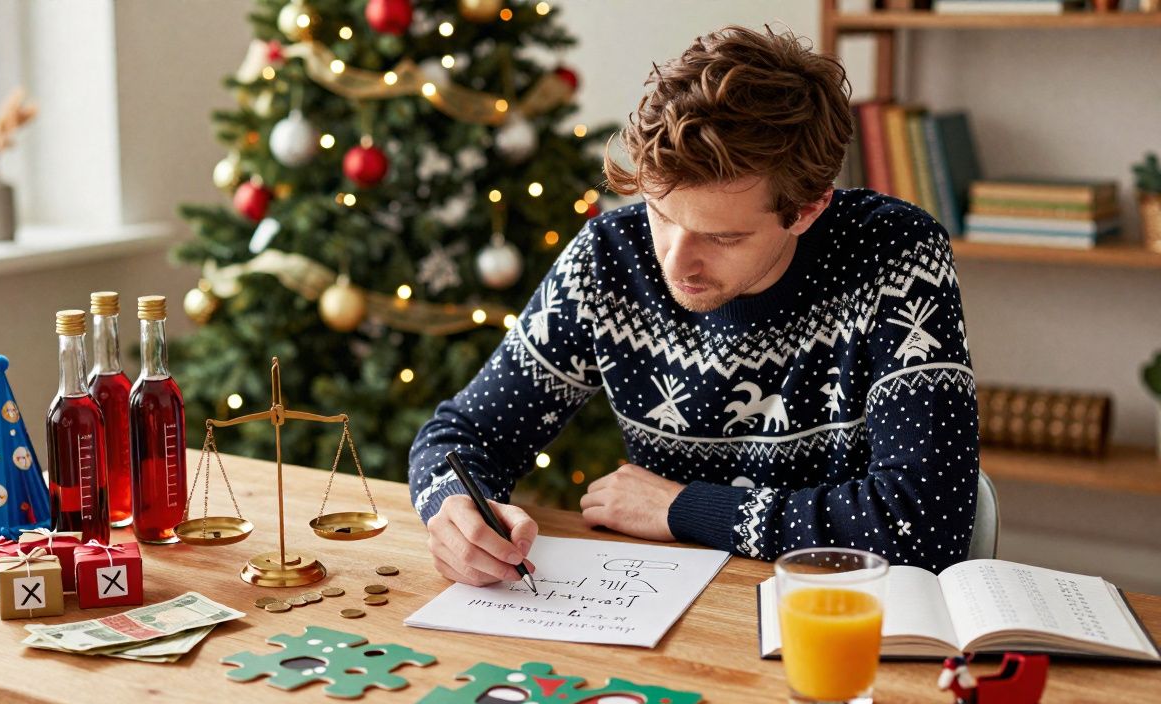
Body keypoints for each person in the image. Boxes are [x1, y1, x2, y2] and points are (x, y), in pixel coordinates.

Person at [408, 25, 979, 587]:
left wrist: (685, 510)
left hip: (833, 610)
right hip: (659, 605)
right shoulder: (609, 258)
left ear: (807, 210)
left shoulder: (895, 256)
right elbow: (462, 433)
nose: (676, 264)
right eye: (661, 214)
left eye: (722, 238)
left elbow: (924, 523)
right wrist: (455, 507)